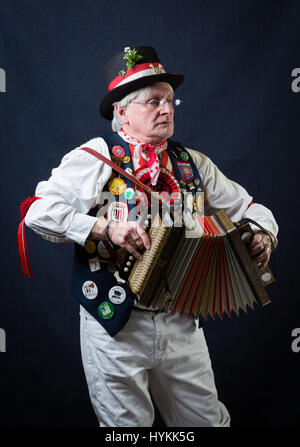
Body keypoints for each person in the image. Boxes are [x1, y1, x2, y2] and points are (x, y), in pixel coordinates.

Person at [24, 46, 278, 427]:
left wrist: (263, 235)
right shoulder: (97, 157)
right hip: (115, 324)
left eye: (170, 100)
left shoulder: (193, 164)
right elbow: (38, 212)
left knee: (207, 423)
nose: (167, 108)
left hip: (181, 321)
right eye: (154, 101)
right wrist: (105, 228)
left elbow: (252, 210)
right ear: (121, 111)